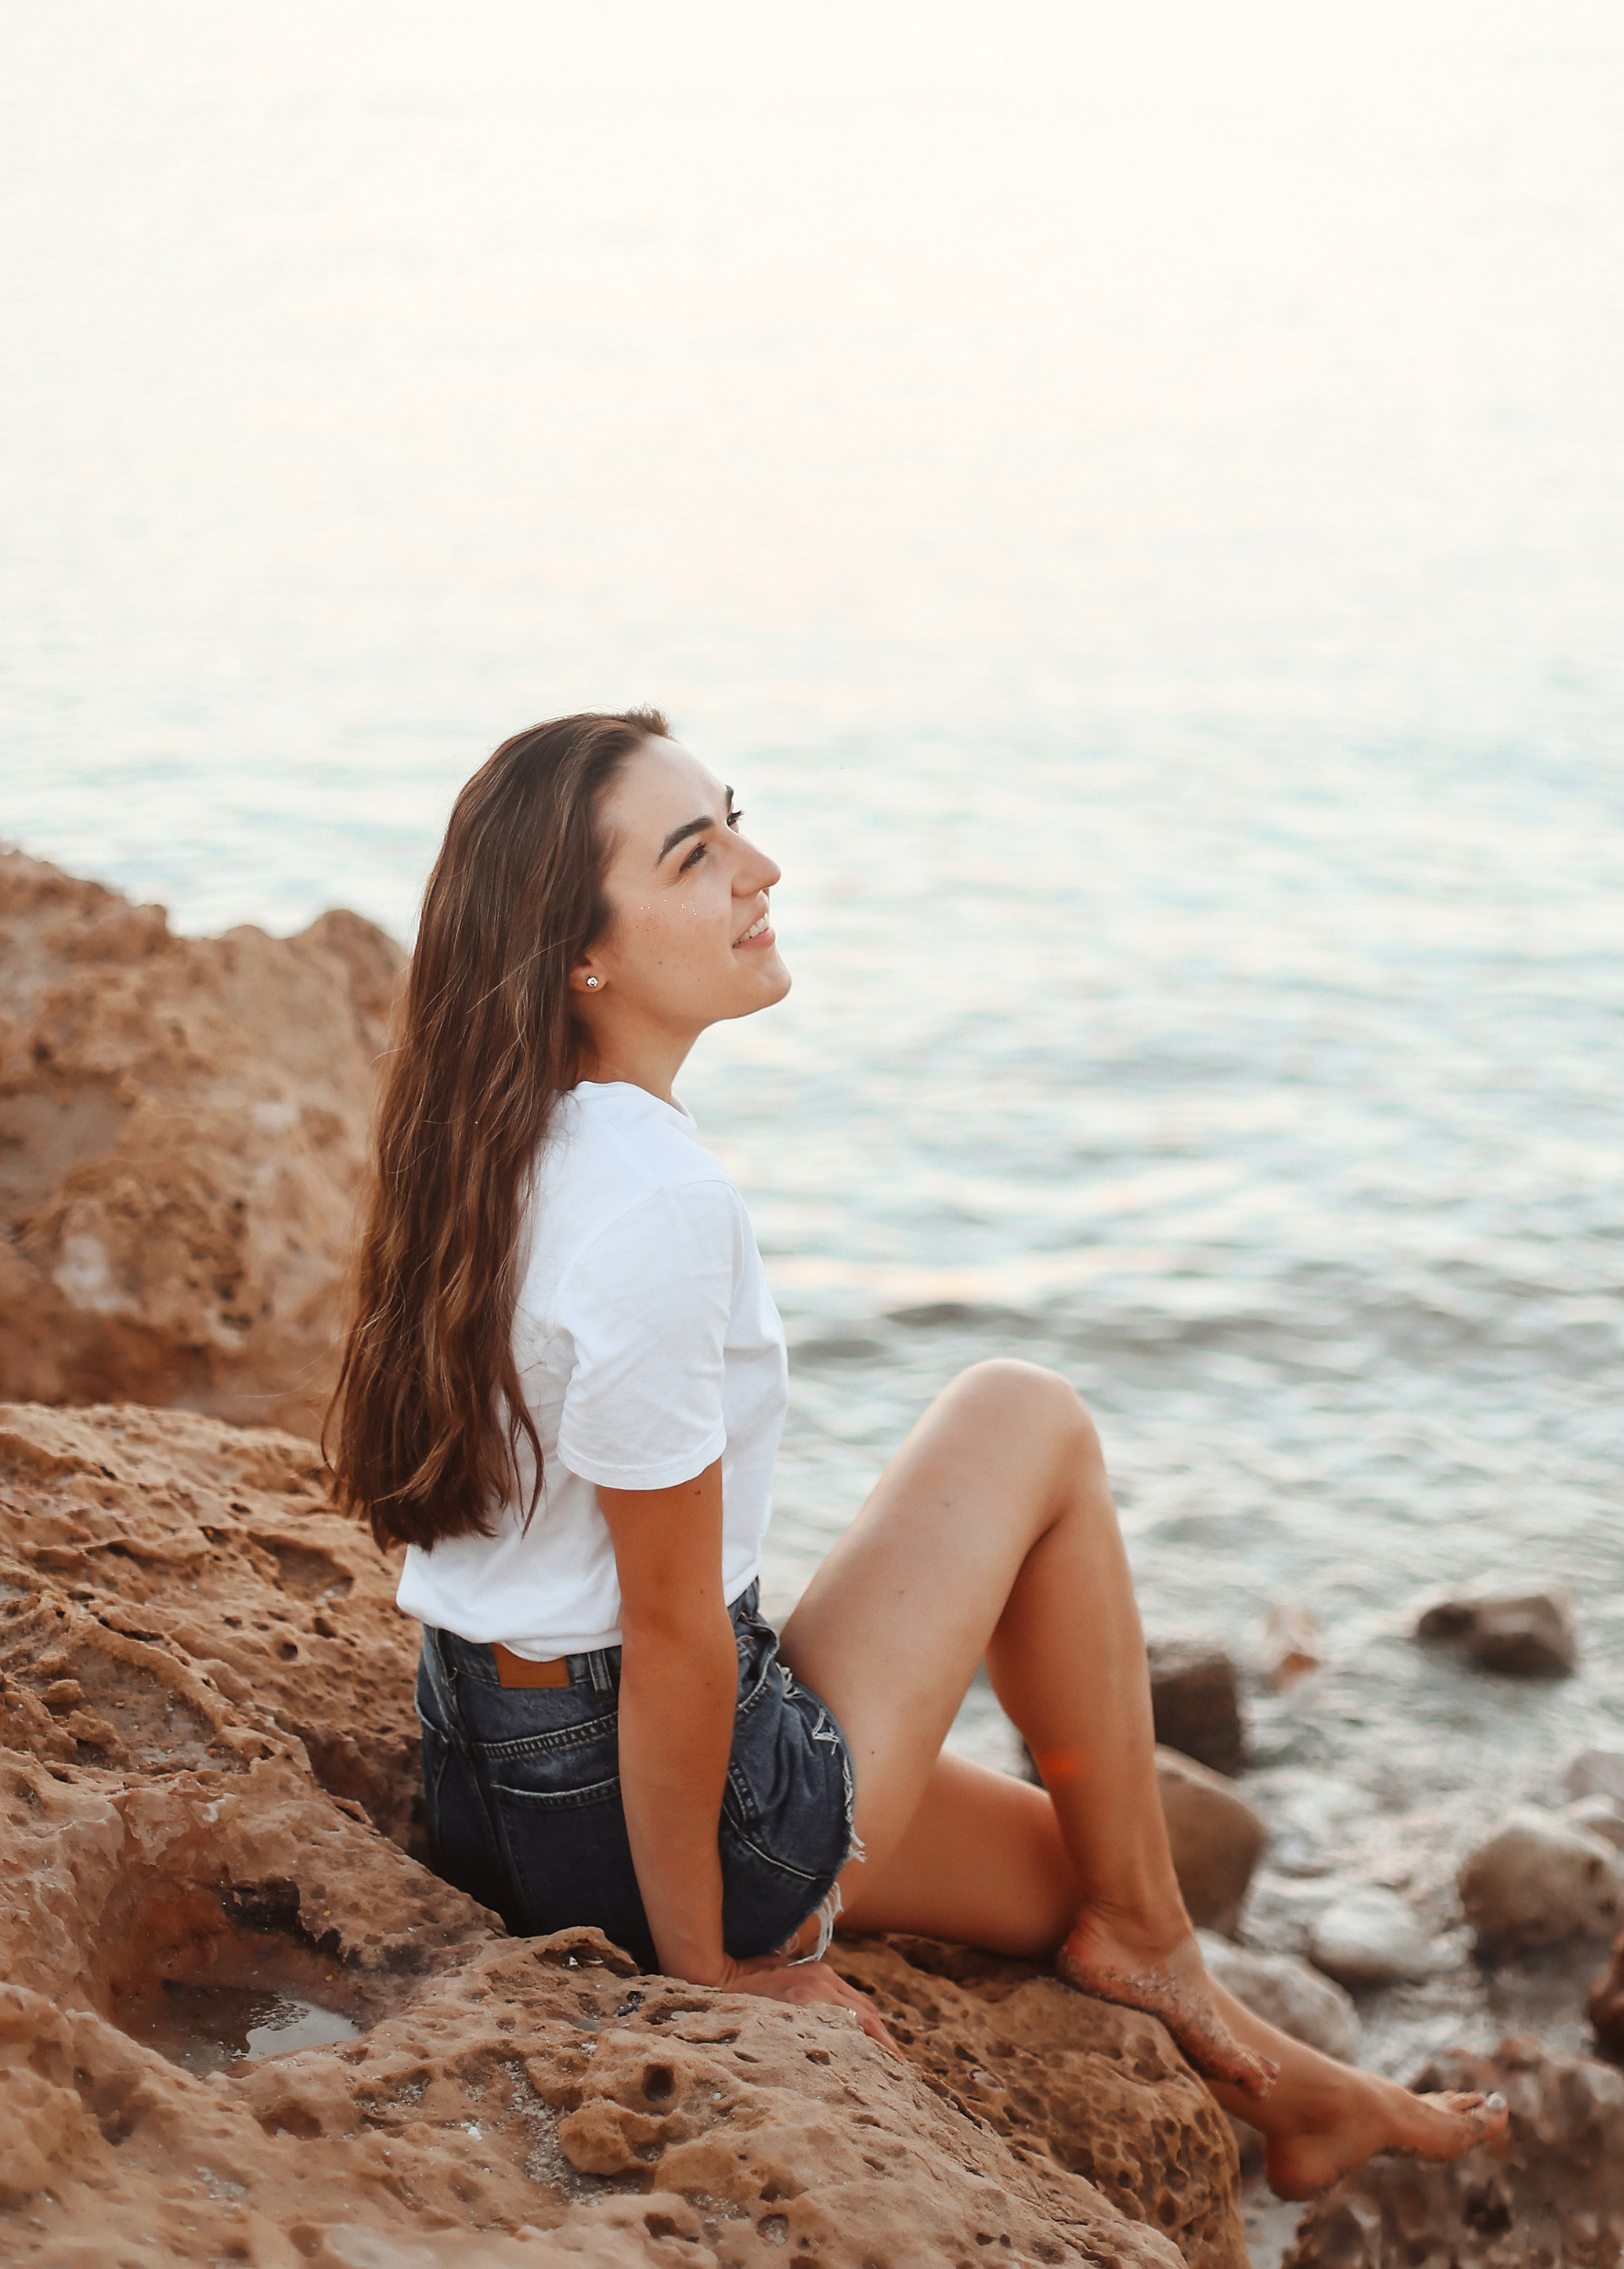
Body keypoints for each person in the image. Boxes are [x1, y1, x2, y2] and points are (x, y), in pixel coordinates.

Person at [329, 710, 1506, 2195]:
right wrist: (712, 1972)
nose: (762, 868)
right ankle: (1158, 1948)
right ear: (585, 955)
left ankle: (1285, 2081)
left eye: (736, 821)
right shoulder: (652, 1205)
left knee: (1076, 1867)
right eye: (698, 855)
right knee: (1027, 1415)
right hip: (645, 1810)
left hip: (492, 1766)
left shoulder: (499, 1146)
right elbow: (681, 1633)